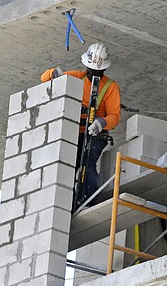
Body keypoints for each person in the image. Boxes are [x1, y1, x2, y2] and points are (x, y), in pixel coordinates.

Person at [41, 42, 121, 208]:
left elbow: (115, 116)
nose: (94, 73)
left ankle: (88, 201)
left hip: (95, 134)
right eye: (91, 70)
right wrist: (54, 74)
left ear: (104, 69)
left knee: (88, 162)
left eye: (98, 71)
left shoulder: (110, 87)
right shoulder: (78, 77)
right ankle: (66, 204)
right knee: (69, 164)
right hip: (74, 130)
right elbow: (44, 79)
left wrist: (102, 122)